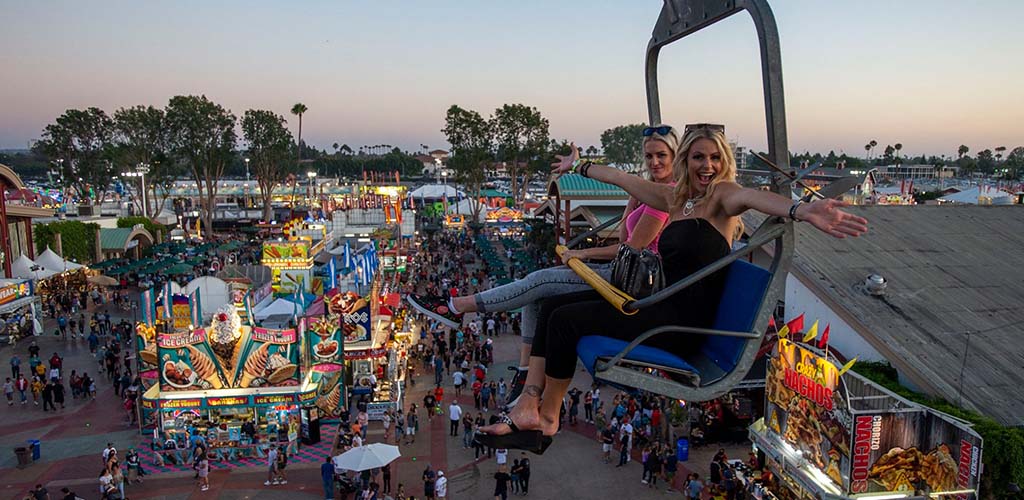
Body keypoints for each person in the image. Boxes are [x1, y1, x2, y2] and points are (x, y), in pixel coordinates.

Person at [479, 125, 868, 452]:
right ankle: (530, 401)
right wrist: (578, 166)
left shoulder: (723, 196)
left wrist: (801, 209)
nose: (707, 165)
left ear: (724, 162)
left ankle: (547, 417)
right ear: (686, 161)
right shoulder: (674, 199)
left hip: (681, 325)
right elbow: (621, 178)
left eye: (715, 158)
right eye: (699, 157)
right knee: (550, 305)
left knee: (565, 320)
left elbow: (754, 198)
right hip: (658, 307)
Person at [409, 125, 683, 408]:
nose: (655, 163)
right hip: (624, 269)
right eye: (649, 156)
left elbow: (630, 250)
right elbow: (626, 241)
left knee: (540, 280)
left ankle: (457, 306)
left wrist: (583, 252)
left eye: (661, 155)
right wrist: (630, 203)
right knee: (535, 291)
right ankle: (525, 371)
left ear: (676, 157)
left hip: (633, 283)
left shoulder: (664, 198)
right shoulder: (648, 195)